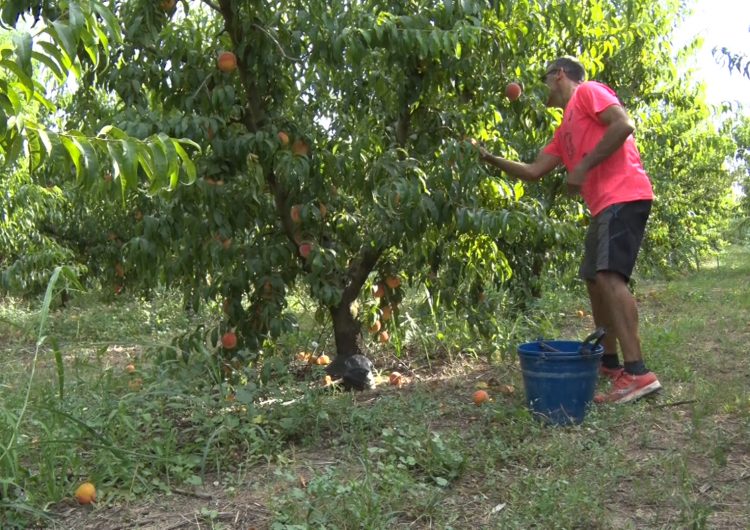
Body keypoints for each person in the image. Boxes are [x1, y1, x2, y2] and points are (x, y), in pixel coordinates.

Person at [476, 56, 661, 404]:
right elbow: (534, 170)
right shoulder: (564, 129)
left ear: (560, 74)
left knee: (608, 276)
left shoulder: (588, 93)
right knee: (594, 279)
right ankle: (609, 362)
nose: (543, 87)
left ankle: (638, 373)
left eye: (546, 78)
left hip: (623, 194)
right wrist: (490, 158)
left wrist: (584, 167)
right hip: (604, 205)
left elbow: (623, 124)